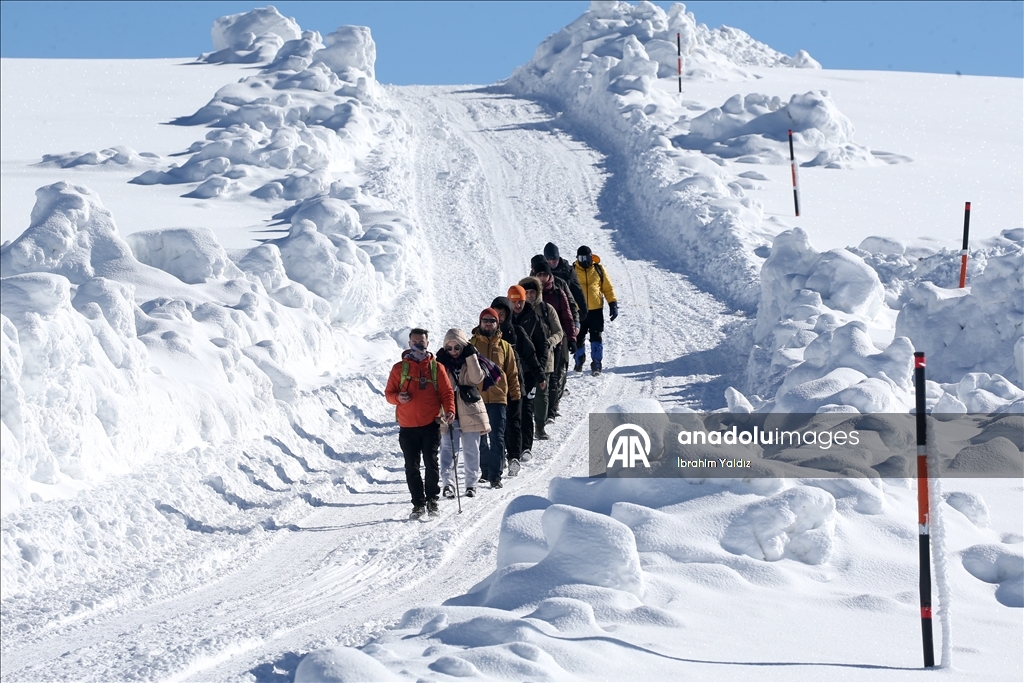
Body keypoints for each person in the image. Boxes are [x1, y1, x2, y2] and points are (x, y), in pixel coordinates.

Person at [385, 328, 455, 518]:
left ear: (427, 343)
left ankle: (432, 499)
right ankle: (418, 503)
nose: (418, 345)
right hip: (407, 427)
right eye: (415, 342)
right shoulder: (399, 369)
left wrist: (450, 410)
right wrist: (398, 397)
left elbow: (447, 392)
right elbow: (389, 395)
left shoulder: (436, 367)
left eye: (421, 342)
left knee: (431, 463)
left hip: (430, 424)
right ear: (409, 344)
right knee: (411, 466)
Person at [490, 294, 542, 473]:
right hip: (493, 387)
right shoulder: (485, 335)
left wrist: (540, 376)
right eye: (496, 313)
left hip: (515, 383)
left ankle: (515, 456)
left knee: (515, 421)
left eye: (502, 313)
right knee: (498, 424)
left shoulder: (517, 332)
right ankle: (502, 454)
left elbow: (531, 355)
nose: (499, 317)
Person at [435, 328, 489, 499]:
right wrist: (441, 365)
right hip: (449, 411)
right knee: (448, 449)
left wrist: (471, 356)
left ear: (463, 346)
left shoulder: (471, 360)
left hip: (470, 410)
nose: (453, 352)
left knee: (471, 449)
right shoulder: (442, 363)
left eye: (457, 348)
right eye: (449, 348)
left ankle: (471, 484)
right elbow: (441, 387)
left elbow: (476, 379)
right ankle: (448, 483)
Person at [470, 308, 520, 489]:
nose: (488, 323)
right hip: (477, 399)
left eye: (492, 320)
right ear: (480, 322)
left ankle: (496, 475)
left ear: (498, 323)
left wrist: (515, 397)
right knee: (481, 438)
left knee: (497, 437)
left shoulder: (505, 347)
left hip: (499, 399)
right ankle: (485, 471)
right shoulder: (471, 345)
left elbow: (512, 373)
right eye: (485, 320)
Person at [530, 259, 576, 422]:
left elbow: (567, 315)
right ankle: (535, 409)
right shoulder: (528, 290)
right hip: (532, 340)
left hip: (555, 341)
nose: (542, 278)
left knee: (554, 375)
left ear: (550, 275)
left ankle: (550, 410)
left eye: (545, 274)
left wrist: (571, 338)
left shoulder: (557, 291)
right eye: (539, 274)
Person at [518, 276, 563, 440]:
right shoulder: (516, 310)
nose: (529, 295)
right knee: (523, 395)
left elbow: (559, 332)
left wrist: (548, 342)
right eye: (526, 292)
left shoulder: (547, 309)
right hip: (523, 360)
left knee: (541, 395)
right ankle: (524, 428)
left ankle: (540, 427)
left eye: (532, 291)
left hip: (544, 358)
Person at [509, 284, 549, 457]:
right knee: (512, 410)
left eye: (521, 302)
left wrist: (538, 370)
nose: (518, 305)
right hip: (510, 372)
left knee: (526, 408)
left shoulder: (533, 318)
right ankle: (511, 447)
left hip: (528, 372)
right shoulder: (504, 319)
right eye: (514, 301)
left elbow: (542, 345)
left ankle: (526, 446)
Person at [573, 245, 618, 375]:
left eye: (586, 257)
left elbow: (608, 288)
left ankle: (596, 363)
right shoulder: (573, 270)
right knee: (578, 337)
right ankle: (579, 360)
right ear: (577, 258)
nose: (584, 260)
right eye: (581, 258)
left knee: (596, 337)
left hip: (596, 310)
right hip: (579, 311)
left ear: (591, 257)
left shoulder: (598, 269)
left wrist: (613, 304)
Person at [544, 242, 586, 325]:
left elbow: (577, 290)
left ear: (558, 258)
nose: (552, 263)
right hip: (546, 311)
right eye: (549, 261)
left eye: (554, 260)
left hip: (565, 310)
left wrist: (583, 308)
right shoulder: (541, 271)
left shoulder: (567, 270)